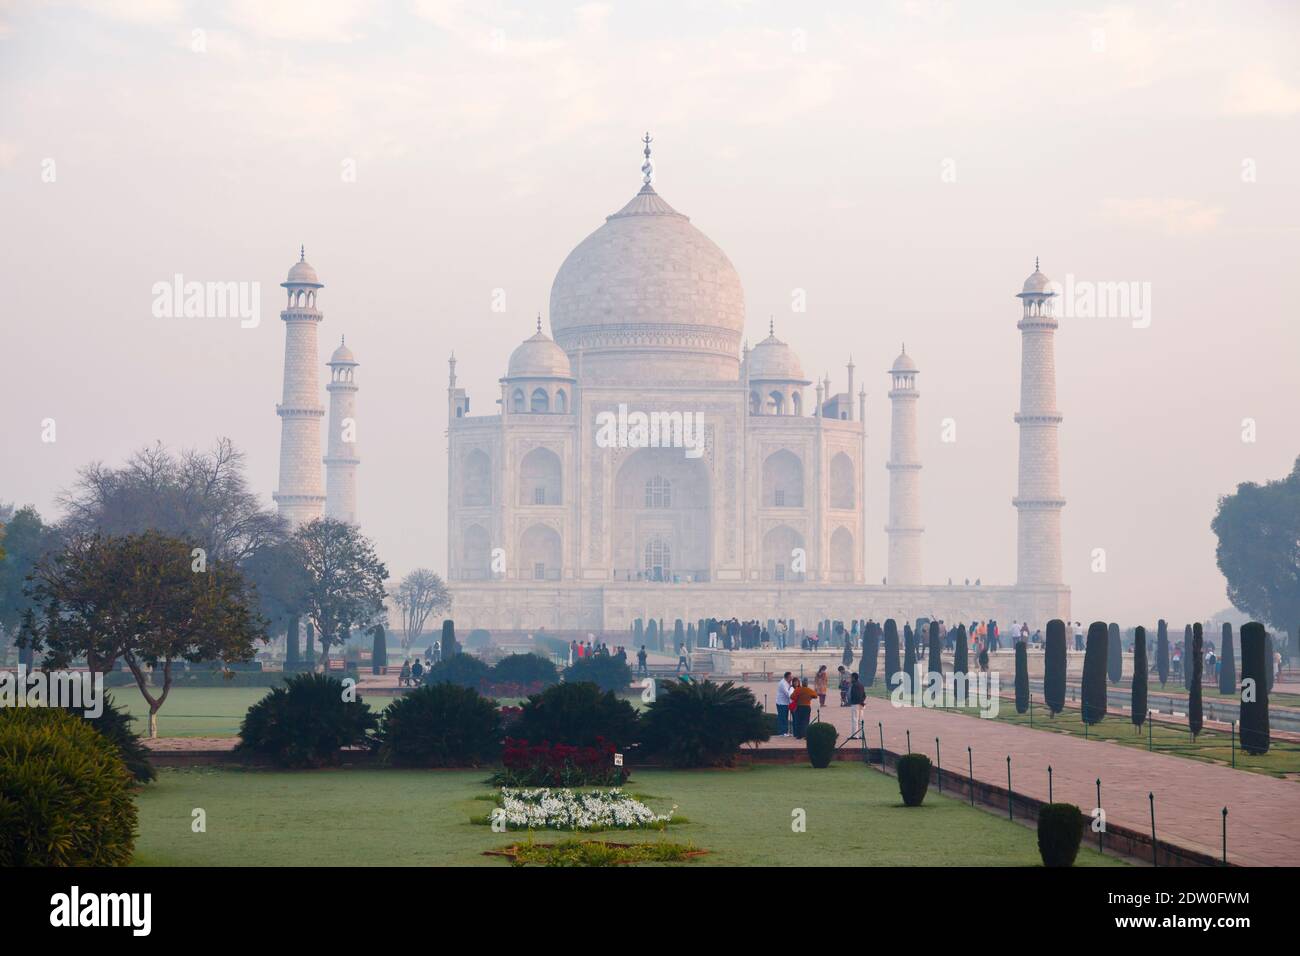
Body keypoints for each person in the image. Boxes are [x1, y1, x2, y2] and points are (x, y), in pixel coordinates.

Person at [775, 672, 793, 737]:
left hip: (786, 703)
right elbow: (788, 694)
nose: (792, 678)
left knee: (785, 717)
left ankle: (785, 731)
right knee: (782, 717)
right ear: (787, 677)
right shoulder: (782, 683)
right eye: (790, 677)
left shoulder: (788, 682)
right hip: (781, 703)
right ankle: (782, 732)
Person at [848, 672, 866, 737]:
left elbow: (855, 695)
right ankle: (861, 734)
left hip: (855, 704)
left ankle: (855, 735)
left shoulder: (854, 685)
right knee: (860, 720)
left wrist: (858, 701)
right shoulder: (861, 685)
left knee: (855, 719)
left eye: (851, 677)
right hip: (861, 704)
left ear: (853, 678)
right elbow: (864, 695)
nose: (850, 679)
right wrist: (862, 701)